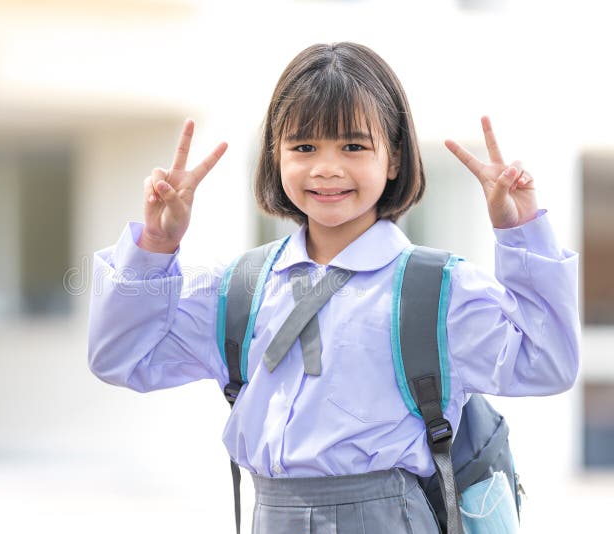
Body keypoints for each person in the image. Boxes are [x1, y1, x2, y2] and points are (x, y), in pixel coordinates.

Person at [87, 42, 580, 533]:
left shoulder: (436, 291)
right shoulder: (239, 289)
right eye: (303, 147)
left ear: (393, 159)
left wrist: (521, 233)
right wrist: (155, 243)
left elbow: (548, 362)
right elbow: (121, 357)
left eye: (353, 146)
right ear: (275, 157)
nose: (326, 167)